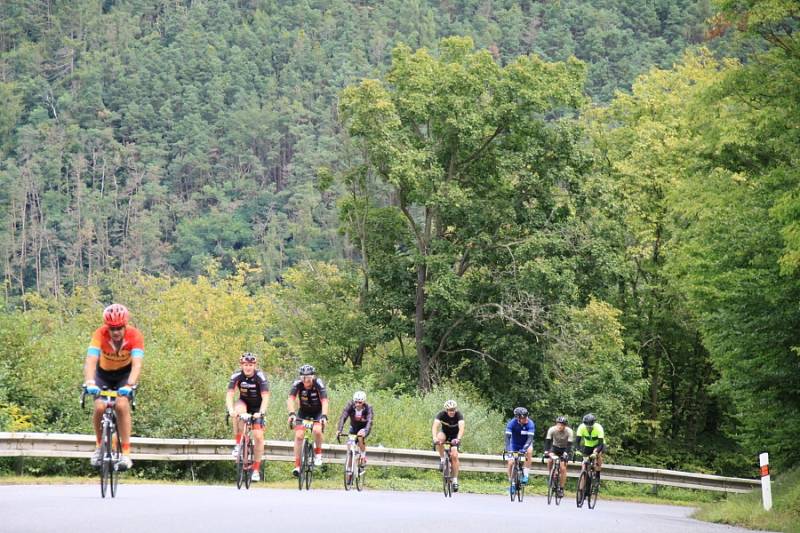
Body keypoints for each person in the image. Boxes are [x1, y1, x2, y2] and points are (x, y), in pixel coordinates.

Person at [83, 303, 143, 470]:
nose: (115, 332)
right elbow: (90, 360)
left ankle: (125, 453)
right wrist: (89, 382)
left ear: (125, 325)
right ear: (106, 327)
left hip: (125, 375)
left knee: (122, 404)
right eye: (112, 328)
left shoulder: (135, 335)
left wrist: (130, 385)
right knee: (100, 406)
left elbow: (137, 365)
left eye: (119, 328)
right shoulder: (99, 334)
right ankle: (98, 446)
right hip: (103, 374)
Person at [226, 352, 270, 482]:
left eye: (250, 365)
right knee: (237, 411)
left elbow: (266, 397)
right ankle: (238, 443)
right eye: (245, 365)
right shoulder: (236, 376)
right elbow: (229, 395)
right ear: (242, 365)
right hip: (244, 403)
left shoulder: (260, 377)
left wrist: (261, 412)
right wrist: (230, 410)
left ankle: (256, 469)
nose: (248, 367)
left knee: (258, 436)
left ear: (254, 365)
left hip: (257, 408)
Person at [287, 364, 329, 477]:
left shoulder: (318, 384)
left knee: (316, 430)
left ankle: (318, 453)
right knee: (299, 435)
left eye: (309, 377)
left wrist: (324, 415)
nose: (306, 380)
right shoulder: (297, 384)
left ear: (313, 377)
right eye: (304, 378)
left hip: (317, 412)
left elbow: (325, 401)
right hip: (303, 412)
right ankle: (297, 465)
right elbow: (290, 399)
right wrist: (291, 413)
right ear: (301, 378)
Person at [432, 399, 465, 492]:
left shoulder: (459, 415)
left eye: (453, 410)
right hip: (445, 434)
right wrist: (434, 438)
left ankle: (455, 480)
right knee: (439, 439)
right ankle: (442, 459)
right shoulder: (441, 414)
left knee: (454, 455)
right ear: (446, 410)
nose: (452, 412)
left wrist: (458, 439)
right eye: (450, 410)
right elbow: (435, 426)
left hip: (455, 436)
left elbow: (462, 428)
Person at [336, 390, 374, 465]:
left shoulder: (368, 408)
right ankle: (349, 466)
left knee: (360, 436)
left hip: (364, 427)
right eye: (356, 402)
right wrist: (339, 430)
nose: (357, 404)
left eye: (360, 402)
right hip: (354, 427)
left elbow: (370, 421)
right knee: (349, 444)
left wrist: (365, 431)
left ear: (364, 402)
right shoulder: (350, 405)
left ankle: (363, 456)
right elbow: (343, 417)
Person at [504, 407, 534, 494]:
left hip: (526, 444)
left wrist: (524, 449)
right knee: (511, 462)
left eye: (526, 417)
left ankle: (526, 474)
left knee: (529, 451)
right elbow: (507, 438)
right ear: (517, 418)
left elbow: (530, 439)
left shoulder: (530, 424)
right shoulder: (511, 423)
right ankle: (512, 483)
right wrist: (508, 450)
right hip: (514, 445)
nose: (526, 419)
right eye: (523, 418)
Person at [543, 415, 574, 496]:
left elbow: (569, 445)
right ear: (556, 424)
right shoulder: (552, 429)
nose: (560, 426)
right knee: (550, 460)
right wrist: (546, 452)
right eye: (558, 424)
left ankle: (561, 488)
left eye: (562, 425)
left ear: (565, 425)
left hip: (565, 449)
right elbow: (547, 442)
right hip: (555, 448)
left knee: (563, 468)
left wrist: (566, 453)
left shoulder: (569, 431)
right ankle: (551, 475)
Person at [575, 413, 605, 483]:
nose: (588, 427)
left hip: (598, 445)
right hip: (588, 445)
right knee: (584, 463)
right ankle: (583, 482)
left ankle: (597, 473)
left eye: (590, 425)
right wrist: (577, 450)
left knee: (598, 455)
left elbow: (601, 444)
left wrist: (596, 452)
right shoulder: (581, 427)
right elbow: (577, 441)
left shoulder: (599, 428)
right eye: (587, 425)